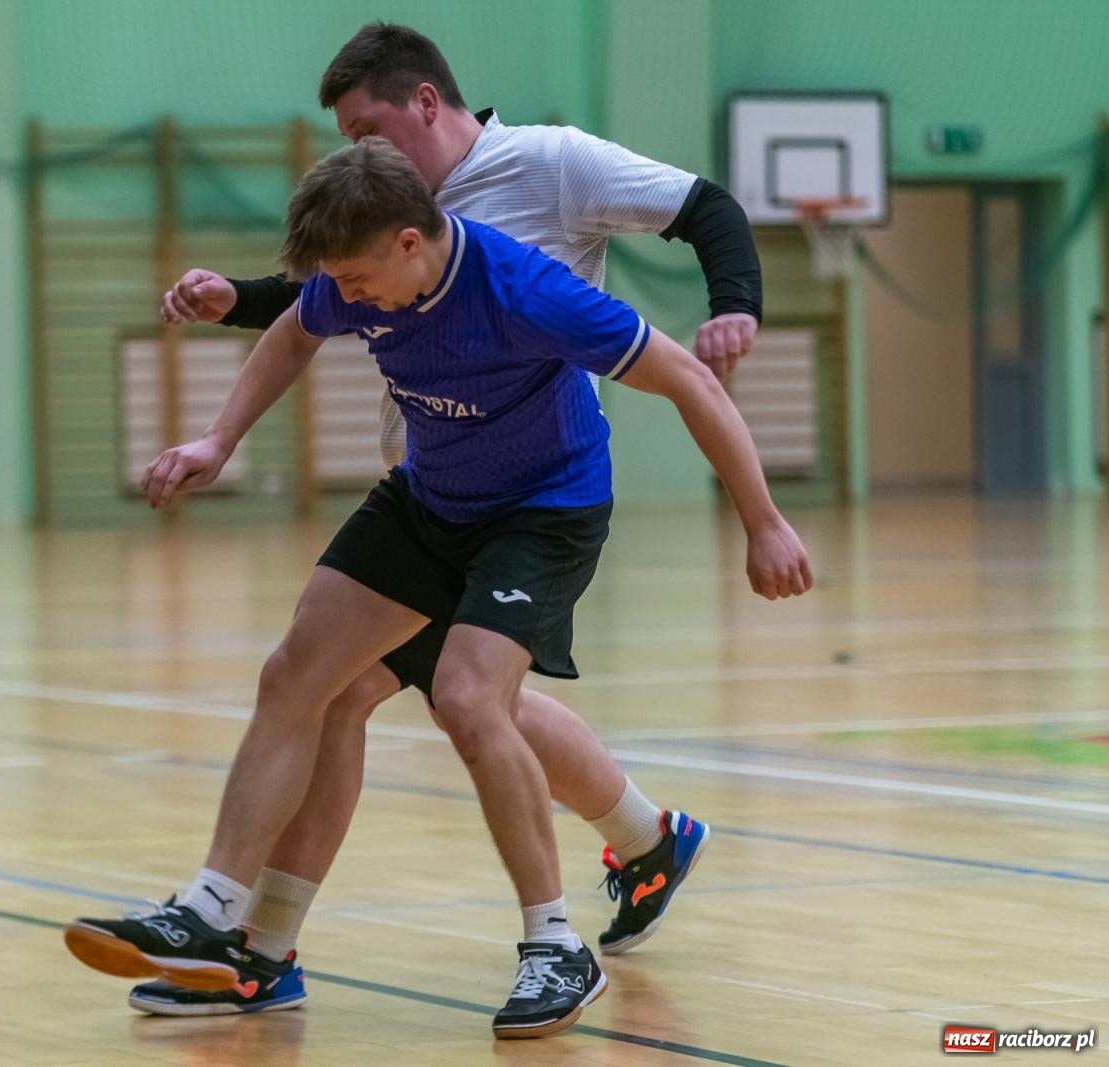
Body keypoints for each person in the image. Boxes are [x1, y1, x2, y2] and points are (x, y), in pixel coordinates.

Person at [66, 138, 811, 1040]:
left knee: (468, 695)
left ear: (413, 241)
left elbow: (690, 379)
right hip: (432, 496)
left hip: (544, 510)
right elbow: (294, 329)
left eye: (361, 277)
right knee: (298, 675)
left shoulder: (523, 291)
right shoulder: (354, 277)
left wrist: (763, 519)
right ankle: (218, 913)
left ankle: (553, 944)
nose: (352, 295)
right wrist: (218, 441)